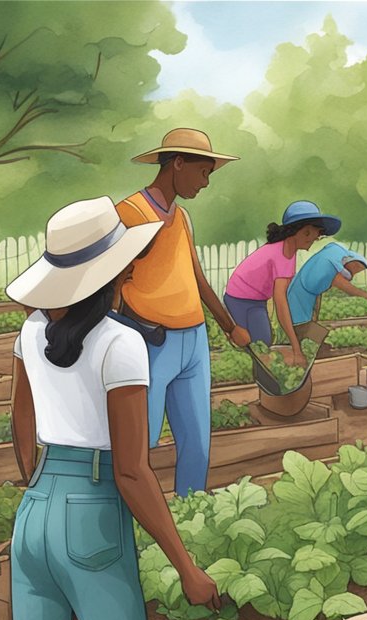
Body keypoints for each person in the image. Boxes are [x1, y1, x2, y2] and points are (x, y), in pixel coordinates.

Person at [0, 197, 220, 620]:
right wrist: (186, 567)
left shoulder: (30, 332)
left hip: (39, 505)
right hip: (91, 510)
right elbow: (131, 469)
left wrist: (35, 492)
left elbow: (21, 426)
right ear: (115, 273)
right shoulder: (122, 345)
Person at [114, 128, 250, 497]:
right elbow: (110, 284)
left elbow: (197, 278)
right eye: (203, 172)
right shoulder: (131, 213)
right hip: (150, 340)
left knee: (197, 442)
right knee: (141, 444)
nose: (205, 183)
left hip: (193, 341)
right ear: (177, 164)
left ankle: (192, 516)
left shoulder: (182, 217)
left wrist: (229, 326)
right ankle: (133, 521)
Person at [223, 200, 342, 364]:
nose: (313, 240)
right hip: (238, 297)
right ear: (302, 232)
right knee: (252, 346)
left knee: (263, 342)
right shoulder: (279, 255)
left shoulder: (289, 253)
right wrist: (296, 349)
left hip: (257, 301)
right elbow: (281, 304)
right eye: (311, 236)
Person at [287, 242, 367, 327]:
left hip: (307, 294)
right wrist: (365, 296)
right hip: (299, 297)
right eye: (356, 267)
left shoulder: (332, 258)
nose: (355, 271)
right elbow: (347, 287)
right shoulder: (331, 266)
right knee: (302, 325)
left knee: (308, 324)